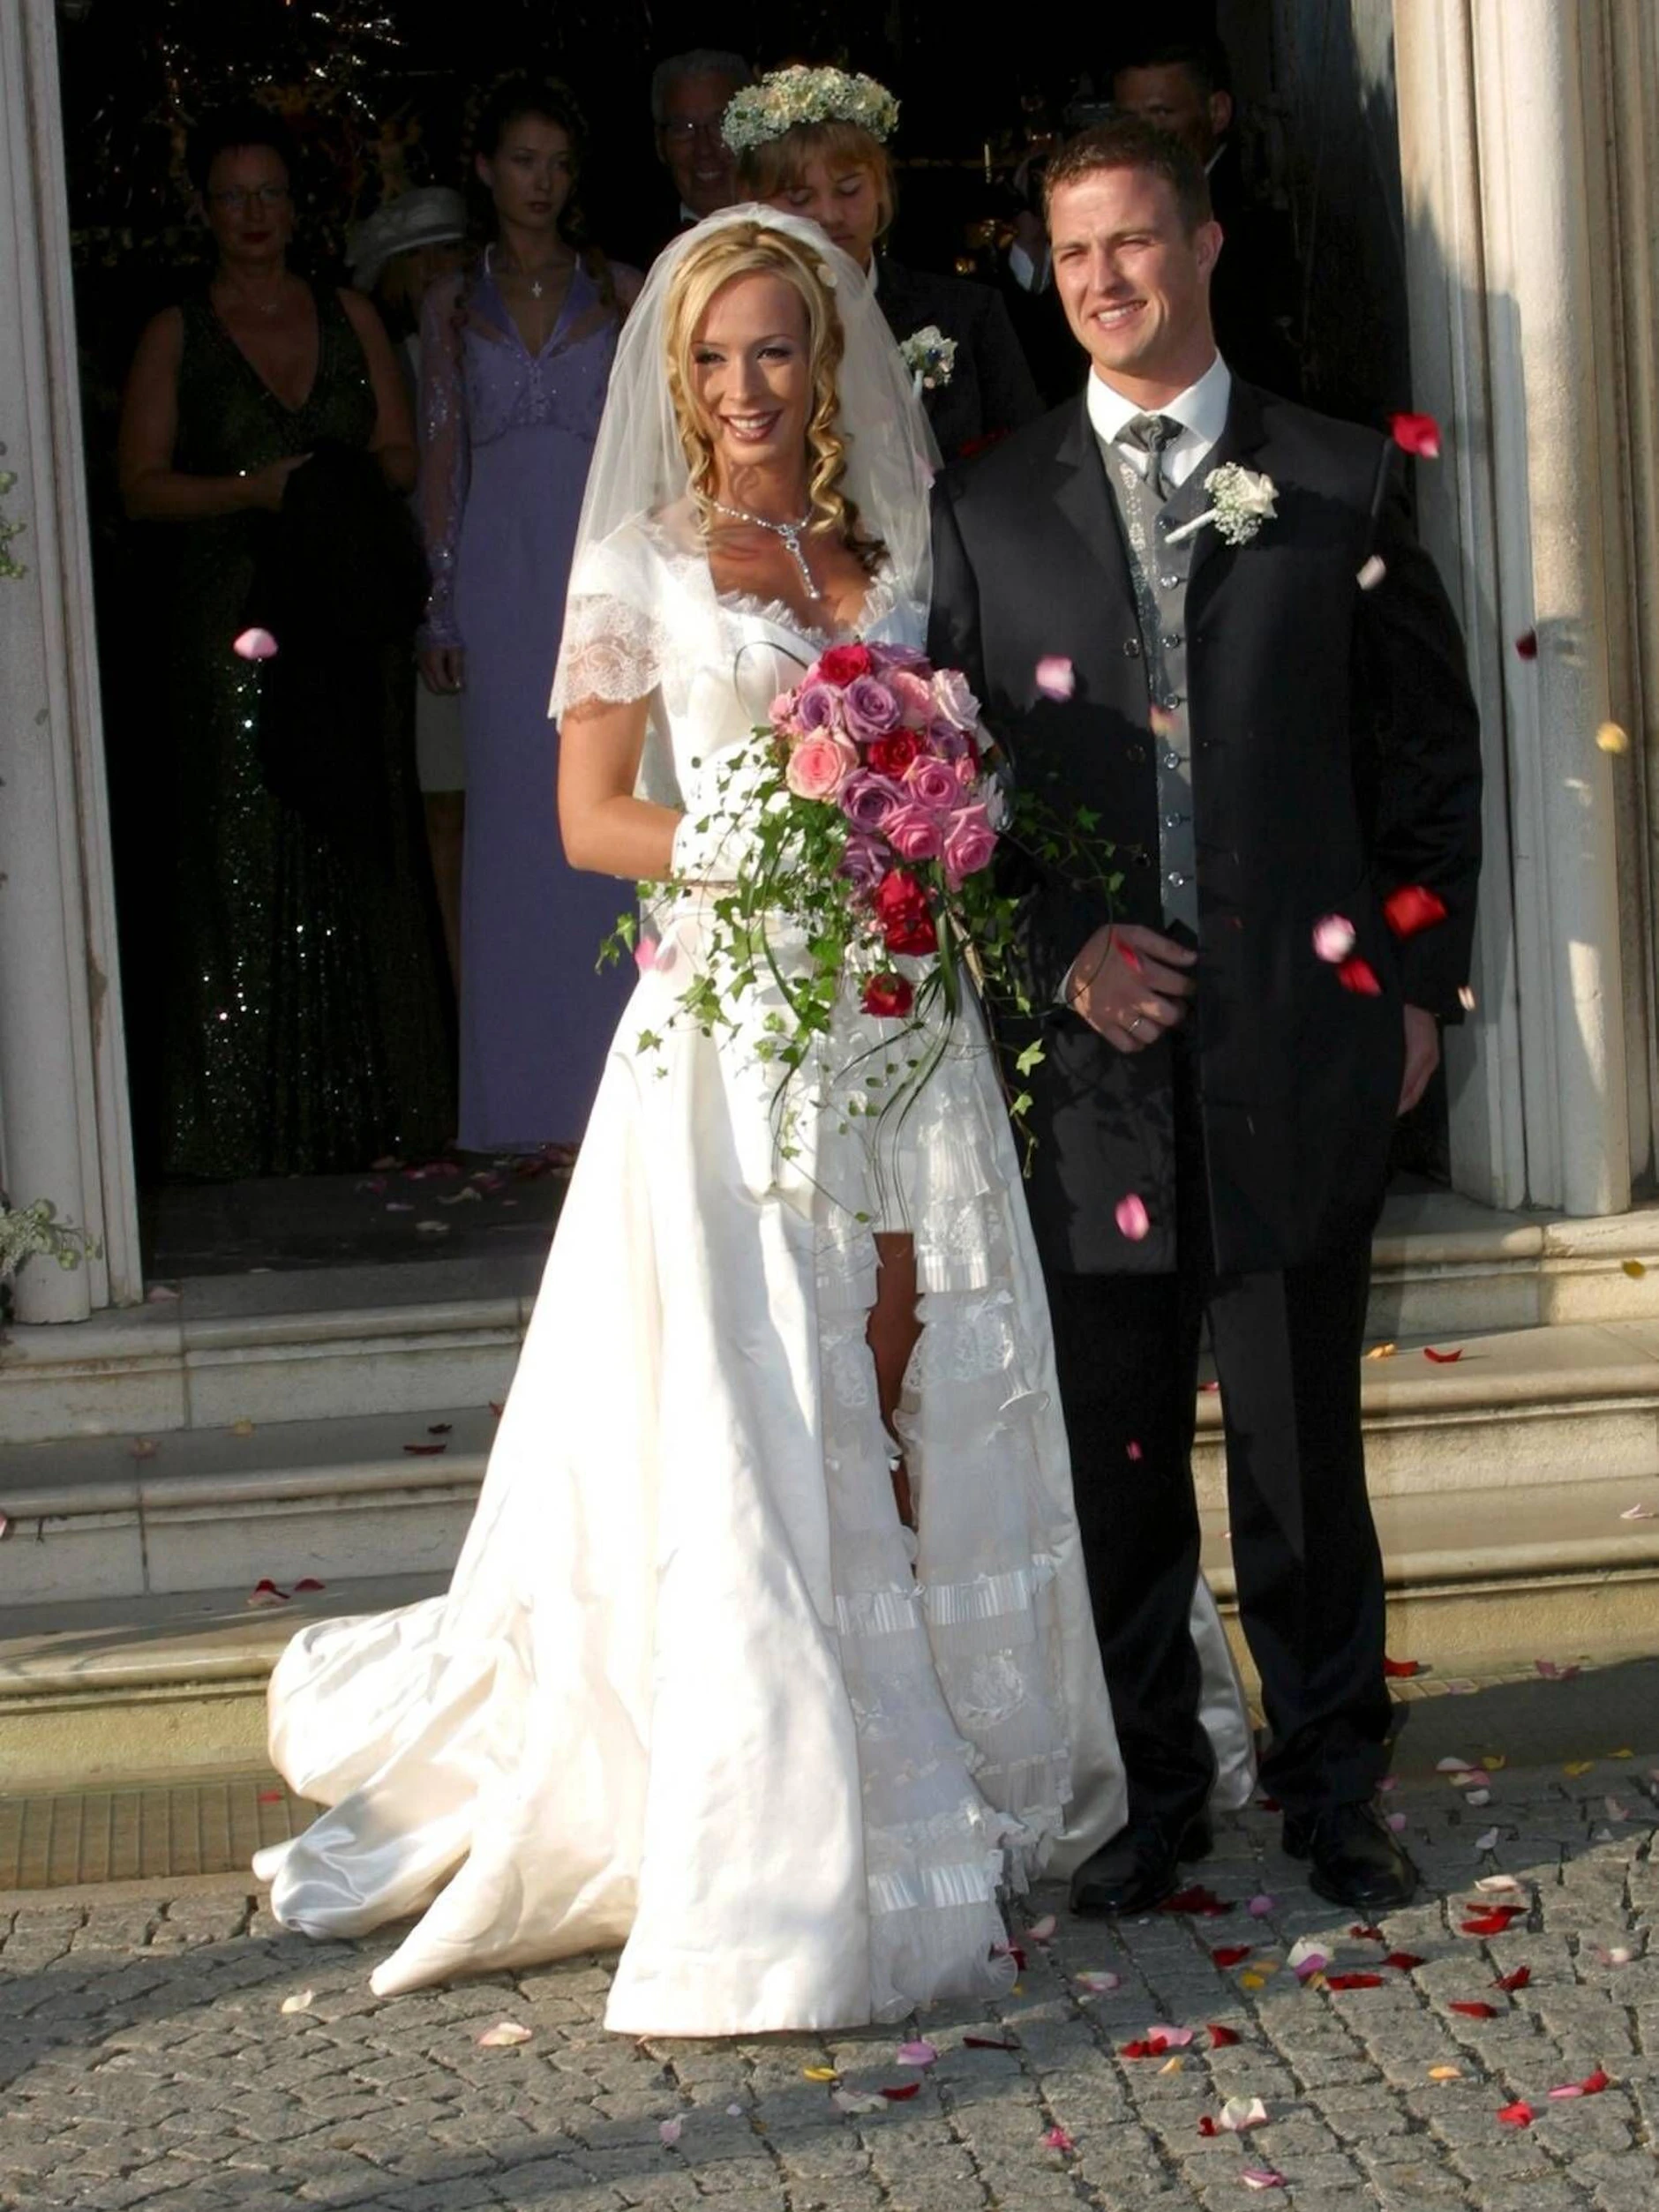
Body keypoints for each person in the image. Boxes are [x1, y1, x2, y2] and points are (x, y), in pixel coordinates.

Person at [251, 211, 1252, 2032]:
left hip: (906, 1018)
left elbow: (976, 759)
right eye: (713, 360)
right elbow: (587, 813)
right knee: (768, 1397)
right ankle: (790, 1786)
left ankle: (937, 1730)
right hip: (734, 1022)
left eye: (777, 352)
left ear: (827, 362)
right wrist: (781, 837)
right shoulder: (641, 559)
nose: (744, 390)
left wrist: (924, 817)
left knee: (900, 1369)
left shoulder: (897, 548)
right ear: (678, 378)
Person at [929, 116, 1483, 1916]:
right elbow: (955, 796)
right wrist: (1058, 945)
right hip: (1095, 1072)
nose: (1103, 278)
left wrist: (1411, 981)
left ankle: (1331, 1784)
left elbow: (1421, 757)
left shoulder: (1331, 473)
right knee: (1116, 1451)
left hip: (1299, 1046)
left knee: (1301, 1448)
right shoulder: (990, 504)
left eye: (1135, 243)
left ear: (1205, 245)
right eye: (1074, 250)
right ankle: (1154, 1792)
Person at [118, 102, 454, 1179]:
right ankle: (233, 1130)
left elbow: (401, 454)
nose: (254, 214)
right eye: (234, 196)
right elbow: (138, 486)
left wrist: (332, 490)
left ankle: (376, 1120)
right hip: (231, 630)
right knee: (242, 858)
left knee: (364, 849)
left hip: (347, 624)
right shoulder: (178, 331)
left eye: (270, 194)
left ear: (296, 206)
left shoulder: (349, 312)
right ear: (206, 212)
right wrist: (252, 491)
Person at [417, 76, 642, 1153]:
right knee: (515, 839)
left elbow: (653, 460)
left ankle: (621, 1102)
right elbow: (438, 460)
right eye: (522, 161)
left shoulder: (623, 286)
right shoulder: (451, 300)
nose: (541, 183)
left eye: (557, 163)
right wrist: (439, 604)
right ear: (484, 170)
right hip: (501, 589)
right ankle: (516, 1107)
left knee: (610, 829)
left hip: (603, 571)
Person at [729, 65, 1042, 462]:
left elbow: (1028, 463)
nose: (829, 215)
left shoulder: (969, 314)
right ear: (754, 204)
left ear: (880, 187)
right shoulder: (727, 334)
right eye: (800, 198)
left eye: (849, 190)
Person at [351, 185, 471, 984]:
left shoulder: (481, 342)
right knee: (440, 806)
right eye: (418, 257)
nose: (436, 271)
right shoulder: (375, 366)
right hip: (419, 606)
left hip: (495, 593)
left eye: (448, 252)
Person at [1111, 35, 1305, 400]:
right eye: (1128, 119)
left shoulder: (1255, 217)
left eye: (1161, 113)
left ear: (1216, 112)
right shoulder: (1110, 210)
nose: (1140, 136)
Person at [648, 47, 751, 247]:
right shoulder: (637, 258)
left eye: (721, 124)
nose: (704, 149)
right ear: (660, 144)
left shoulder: (798, 231)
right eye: (684, 128)